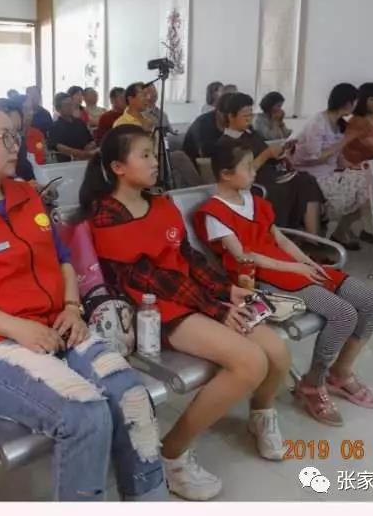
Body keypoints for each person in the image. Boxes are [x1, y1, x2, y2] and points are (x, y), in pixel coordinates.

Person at [0, 102, 169, 502]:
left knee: (132, 396)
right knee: (85, 413)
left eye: (16, 135)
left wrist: (72, 308)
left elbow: (63, 260)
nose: (15, 145)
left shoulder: (27, 197)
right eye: (4, 137)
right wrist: (17, 328)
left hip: (56, 324)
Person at [82, 126, 290, 500]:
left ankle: (261, 415)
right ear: (117, 167)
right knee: (250, 363)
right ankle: (171, 455)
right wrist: (215, 307)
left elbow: (187, 257)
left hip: (193, 298)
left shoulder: (161, 203)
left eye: (153, 153)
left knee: (277, 352)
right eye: (145, 155)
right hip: (155, 311)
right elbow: (148, 278)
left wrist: (226, 290)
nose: (154, 162)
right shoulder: (106, 216)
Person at [195, 145, 373, 427]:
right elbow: (244, 256)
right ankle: (313, 383)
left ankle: (340, 372)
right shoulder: (214, 213)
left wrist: (307, 261)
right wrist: (294, 268)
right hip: (261, 278)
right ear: (225, 174)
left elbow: (280, 240)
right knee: (344, 314)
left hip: (289, 267)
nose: (254, 172)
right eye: (248, 167)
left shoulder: (252, 200)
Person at [217, 93, 324, 234]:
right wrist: (267, 154)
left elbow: (268, 156)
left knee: (306, 180)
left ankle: (313, 237)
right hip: (253, 183)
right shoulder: (225, 144)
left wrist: (283, 150)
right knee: (285, 189)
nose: (249, 119)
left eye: (251, 115)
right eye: (245, 116)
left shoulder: (251, 135)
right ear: (231, 116)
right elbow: (240, 173)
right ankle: (287, 234)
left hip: (271, 174)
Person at [292, 83, 368, 250]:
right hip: (312, 175)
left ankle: (341, 230)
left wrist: (353, 166)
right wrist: (344, 142)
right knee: (365, 184)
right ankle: (340, 231)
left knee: (370, 181)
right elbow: (315, 157)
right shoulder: (318, 122)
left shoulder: (339, 124)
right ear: (347, 103)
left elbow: (338, 157)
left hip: (330, 172)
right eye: (355, 102)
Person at [114, 83, 200, 188]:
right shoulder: (122, 123)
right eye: (143, 95)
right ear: (131, 99)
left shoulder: (148, 120)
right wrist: (143, 132)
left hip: (158, 155)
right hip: (140, 161)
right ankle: (198, 189)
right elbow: (126, 152)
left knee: (178, 157)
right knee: (179, 157)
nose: (147, 98)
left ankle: (194, 190)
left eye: (147, 95)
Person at [48, 92, 97, 162]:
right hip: (67, 162)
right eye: (66, 105)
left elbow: (91, 140)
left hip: (86, 159)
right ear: (58, 108)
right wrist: (81, 154)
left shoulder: (80, 122)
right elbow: (58, 147)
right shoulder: (54, 127)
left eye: (71, 104)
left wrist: (90, 146)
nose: (70, 107)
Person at [183, 92, 231, 161]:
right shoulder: (204, 123)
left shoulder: (237, 121)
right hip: (195, 162)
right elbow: (205, 153)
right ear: (219, 111)